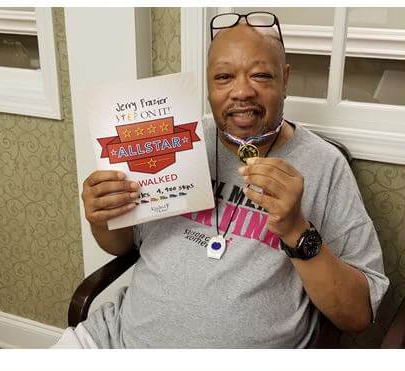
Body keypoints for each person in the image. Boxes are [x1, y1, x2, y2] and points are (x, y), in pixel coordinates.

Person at [58, 12, 388, 348]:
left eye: (260, 75)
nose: (242, 91)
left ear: (285, 79)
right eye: (224, 77)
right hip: (113, 341)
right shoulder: (176, 138)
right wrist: (102, 218)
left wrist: (295, 229)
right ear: (208, 84)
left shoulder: (324, 165)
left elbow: (357, 315)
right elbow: (124, 245)